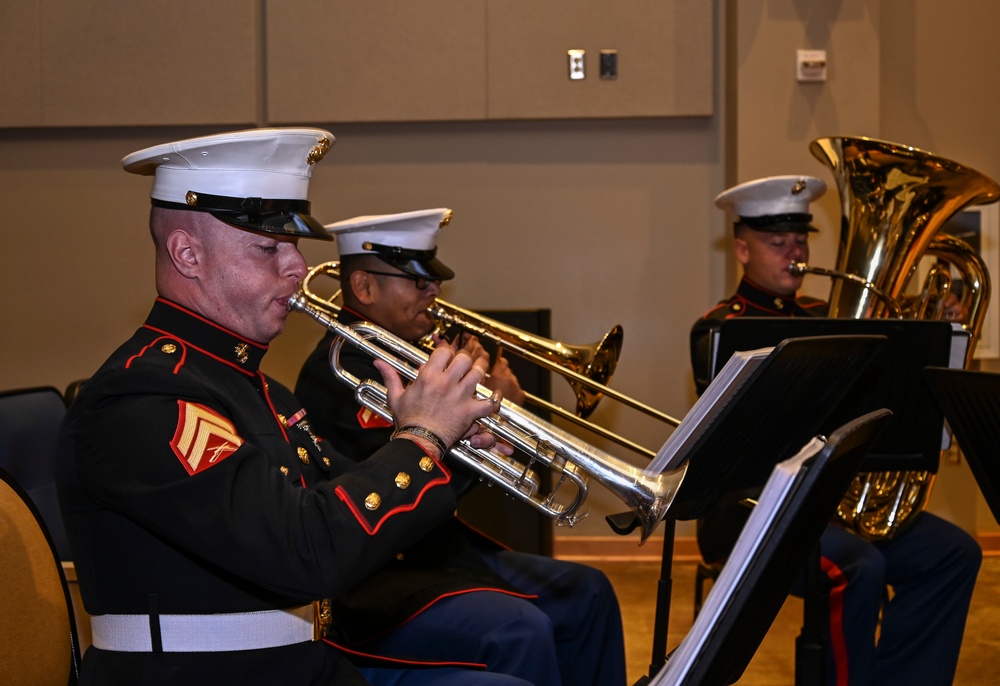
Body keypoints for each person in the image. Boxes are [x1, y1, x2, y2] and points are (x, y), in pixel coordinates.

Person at [55, 128, 511, 686]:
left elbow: (347, 506)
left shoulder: (261, 390)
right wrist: (421, 439)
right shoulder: (145, 396)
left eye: (293, 246)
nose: (297, 267)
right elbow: (305, 553)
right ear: (187, 253)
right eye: (269, 247)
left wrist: (452, 443)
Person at [295, 208, 627, 686]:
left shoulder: (418, 354)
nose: (433, 291)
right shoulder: (344, 366)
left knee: (589, 592)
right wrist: (477, 423)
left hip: (440, 553)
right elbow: (397, 486)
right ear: (364, 288)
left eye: (433, 279)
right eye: (415, 280)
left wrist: (498, 417)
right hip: (385, 574)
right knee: (520, 631)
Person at [689, 175, 983, 686]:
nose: (794, 253)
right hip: (750, 509)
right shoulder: (719, 327)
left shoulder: (830, 317)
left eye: (800, 241)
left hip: (830, 504)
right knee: (859, 568)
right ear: (742, 249)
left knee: (953, 554)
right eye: (776, 243)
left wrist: (939, 331)